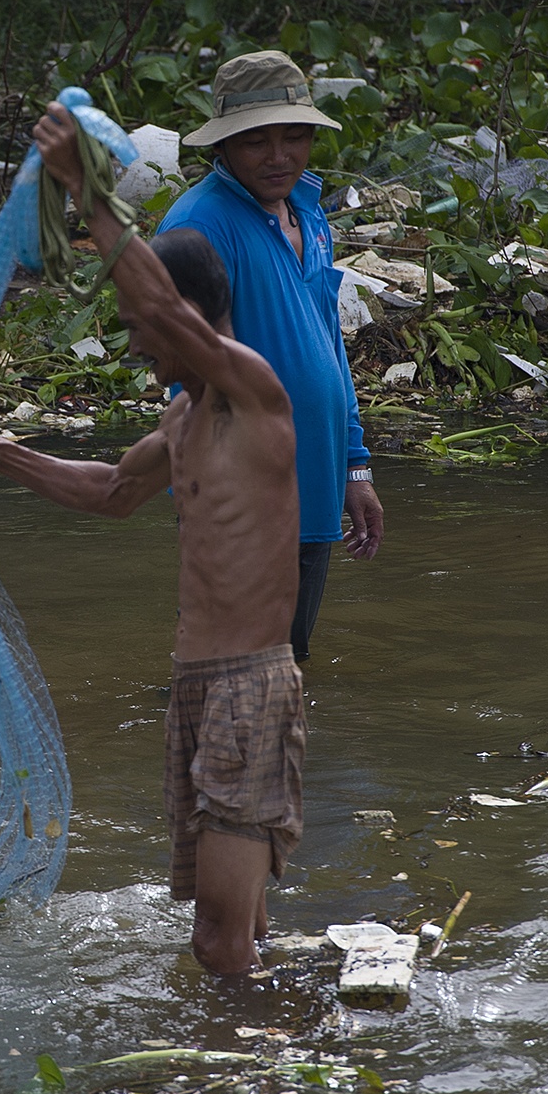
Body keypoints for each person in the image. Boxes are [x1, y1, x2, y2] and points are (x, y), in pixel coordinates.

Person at [0, 104, 304, 975]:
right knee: (234, 934)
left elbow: (161, 306)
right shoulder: (183, 418)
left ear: (189, 320)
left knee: (216, 945)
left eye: (141, 333)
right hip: (199, 686)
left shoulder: (254, 392)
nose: (138, 348)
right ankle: (269, 1057)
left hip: (250, 687)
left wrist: (87, 192)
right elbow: (112, 492)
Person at [157, 50, 383, 660]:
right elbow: (182, 367)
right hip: (241, 496)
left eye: (295, 137)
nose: (279, 156)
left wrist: (354, 468)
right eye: (257, 142)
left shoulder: (306, 212)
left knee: (285, 664)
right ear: (223, 147)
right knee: (231, 666)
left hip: (312, 479)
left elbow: (328, 345)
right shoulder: (200, 227)